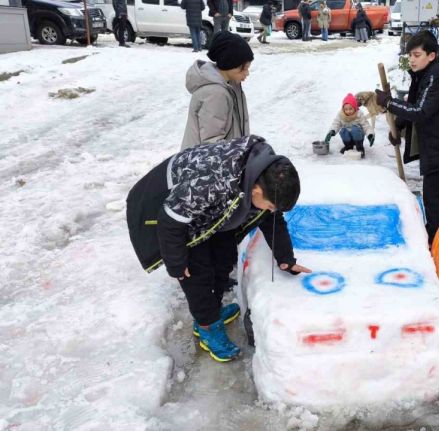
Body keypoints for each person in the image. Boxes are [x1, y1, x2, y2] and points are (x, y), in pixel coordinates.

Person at [126, 135, 312, 362]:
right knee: (197, 274)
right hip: (166, 209)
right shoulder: (213, 181)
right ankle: (206, 326)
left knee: (224, 259)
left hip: (208, 210)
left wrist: (286, 258)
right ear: (255, 191)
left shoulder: (265, 176)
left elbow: (273, 220)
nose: (272, 211)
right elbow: (169, 220)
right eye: (271, 206)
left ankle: (211, 313)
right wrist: (176, 262)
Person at [375, 31, 439, 244]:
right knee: (431, 198)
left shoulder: (436, 77)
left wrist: (390, 103)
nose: (411, 59)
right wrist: (399, 126)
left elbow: (421, 110)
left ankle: (435, 245)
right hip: (437, 146)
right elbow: (418, 107)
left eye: (417, 55)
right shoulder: (423, 75)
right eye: (410, 55)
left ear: (431, 55)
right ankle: (433, 238)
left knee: (435, 201)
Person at [181, 31, 253, 150]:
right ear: (229, 63)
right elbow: (211, 143)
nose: (247, 73)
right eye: (243, 68)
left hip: (223, 161)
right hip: (204, 165)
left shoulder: (230, 84)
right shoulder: (216, 93)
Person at [324, 93, 374, 159]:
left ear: (355, 107)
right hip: (348, 137)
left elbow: (366, 125)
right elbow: (336, 124)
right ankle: (348, 146)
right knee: (343, 131)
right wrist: (331, 131)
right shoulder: (340, 115)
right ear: (343, 109)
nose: (348, 111)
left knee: (354, 129)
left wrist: (370, 135)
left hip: (358, 136)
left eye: (350, 109)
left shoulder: (359, 114)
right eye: (346, 109)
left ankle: (360, 148)